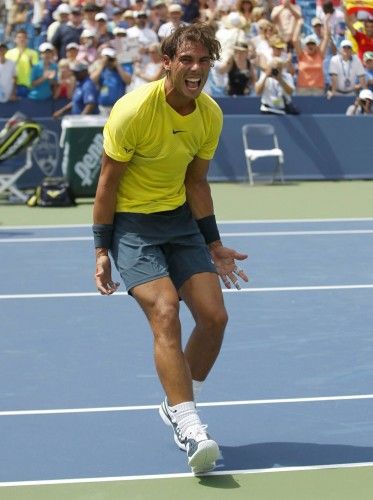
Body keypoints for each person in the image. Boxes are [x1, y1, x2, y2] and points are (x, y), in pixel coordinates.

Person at [92, 23, 248, 475]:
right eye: (186, 60)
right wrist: (101, 249)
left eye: (204, 61)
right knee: (165, 309)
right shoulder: (133, 111)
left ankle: (175, 399)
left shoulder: (210, 114)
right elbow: (107, 184)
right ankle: (189, 423)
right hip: (132, 227)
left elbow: (196, 182)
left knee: (215, 317)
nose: (196, 69)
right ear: (167, 62)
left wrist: (214, 243)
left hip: (180, 222)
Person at [90, 47, 132, 115]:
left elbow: (128, 81)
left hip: (119, 107)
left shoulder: (121, 68)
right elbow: (92, 80)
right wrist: (102, 64)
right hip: (103, 107)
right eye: (107, 58)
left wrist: (117, 65)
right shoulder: (100, 69)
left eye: (110, 58)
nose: (109, 60)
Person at [5, 29, 38, 98]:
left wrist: (31, 63)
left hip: (29, 87)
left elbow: (36, 71)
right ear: (15, 39)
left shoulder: (33, 53)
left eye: (24, 37)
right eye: (19, 37)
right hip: (14, 87)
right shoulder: (9, 53)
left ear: (27, 40)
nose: (22, 39)